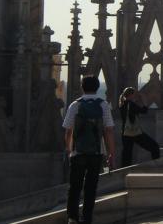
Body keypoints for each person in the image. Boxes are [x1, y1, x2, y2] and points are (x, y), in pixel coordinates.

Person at [63, 76, 115, 224]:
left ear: (82, 87)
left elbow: (67, 131)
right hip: (96, 153)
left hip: (77, 153)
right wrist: (111, 153)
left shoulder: (75, 105)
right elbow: (109, 131)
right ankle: (87, 218)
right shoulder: (103, 105)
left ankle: (72, 218)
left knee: (74, 187)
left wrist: (69, 150)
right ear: (97, 87)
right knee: (91, 188)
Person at [119, 87, 160, 167]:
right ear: (131, 95)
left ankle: (123, 173)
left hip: (125, 132)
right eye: (134, 95)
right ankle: (157, 166)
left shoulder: (122, 104)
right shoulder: (131, 104)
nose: (135, 96)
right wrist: (144, 101)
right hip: (135, 132)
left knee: (127, 155)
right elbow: (144, 111)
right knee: (154, 146)